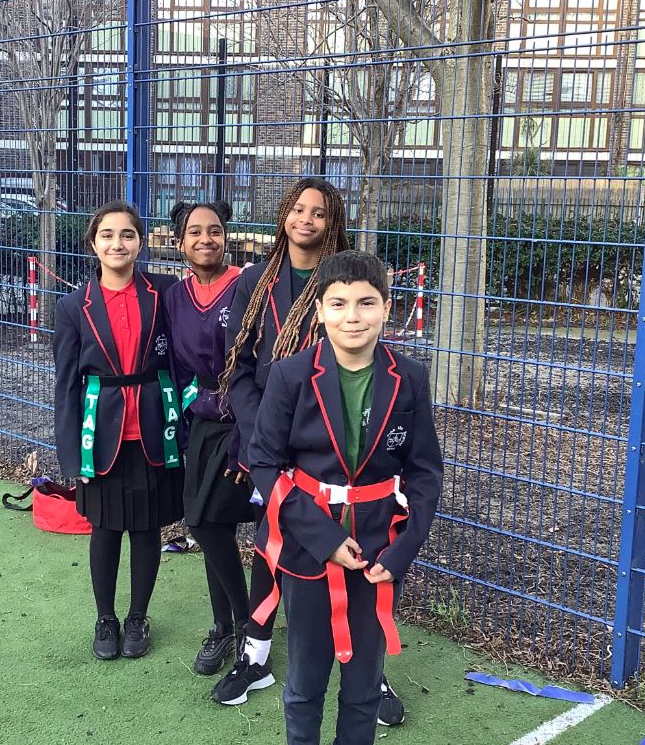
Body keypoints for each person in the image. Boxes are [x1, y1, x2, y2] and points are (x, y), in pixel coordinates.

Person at [247, 250, 443, 745]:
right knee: (305, 682)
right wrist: (324, 538)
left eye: (366, 303)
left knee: (363, 688)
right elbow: (264, 461)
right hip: (307, 549)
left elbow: (424, 473)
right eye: (338, 304)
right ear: (319, 311)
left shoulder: (410, 377)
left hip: (379, 552)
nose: (352, 316)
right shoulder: (290, 375)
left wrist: (402, 551)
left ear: (387, 308)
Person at [212, 177, 349, 706]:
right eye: (298, 208)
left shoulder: (344, 279)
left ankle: (363, 665)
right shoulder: (255, 280)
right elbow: (239, 367)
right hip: (268, 438)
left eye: (318, 212)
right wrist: (260, 431)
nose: (305, 219)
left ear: (333, 222)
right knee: (269, 545)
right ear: (283, 215)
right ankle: (256, 656)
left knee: (344, 544)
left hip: (329, 438)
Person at [53, 200, 184, 661]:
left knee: (146, 528)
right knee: (105, 528)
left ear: (141, 242)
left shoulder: (165, 293)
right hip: (100, 436)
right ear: (93, 243)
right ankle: (105, 617)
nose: (117, 243)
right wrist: (71, 453)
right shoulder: (73, 307)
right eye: (107, 235)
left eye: (127, 234)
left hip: (153, 431)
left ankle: (138, 617)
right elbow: (66, 383)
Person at [163, 200, 254, 675]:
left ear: (226, 236)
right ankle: (225, 627)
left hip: (242, 419)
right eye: (195, 232)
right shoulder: (174, 297)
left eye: (214, 230)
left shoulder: (247, 285)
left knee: (206, 525)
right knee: (210, 524)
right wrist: (180, 425)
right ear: (180, 243)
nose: (206, 239)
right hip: (201, 421)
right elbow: (176, 369)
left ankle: (246, 626)